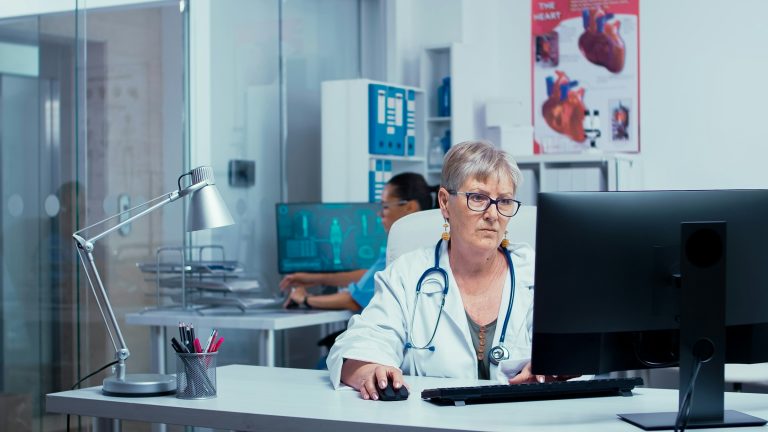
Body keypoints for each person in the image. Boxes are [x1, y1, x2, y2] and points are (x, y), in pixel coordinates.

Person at [327, 140, 551, 401]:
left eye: (504, 201)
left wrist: (553, 371)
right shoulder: (408, 274)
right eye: (478, 198)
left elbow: (574, 354)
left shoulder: (536, 272)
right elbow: (360, 344)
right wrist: (372, 370)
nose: (493, 214)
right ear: (445, 202)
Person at [280, 172, 434, 311]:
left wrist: (304, 298)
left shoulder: (400, 251)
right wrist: (317, 278)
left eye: (385, 206)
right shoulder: (432, 241)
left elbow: (354, 300)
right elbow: (371, 277)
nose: (380, 214)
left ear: (410, 207)